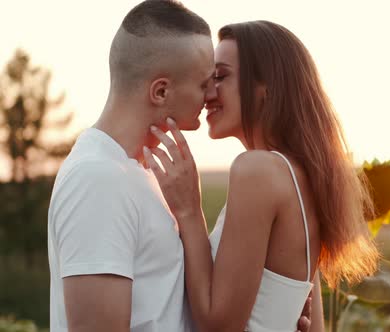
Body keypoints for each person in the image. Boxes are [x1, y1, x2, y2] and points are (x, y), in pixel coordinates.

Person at [48, 2, 312, 331]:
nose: (211, 95)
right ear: (161, 91)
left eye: (219, 79)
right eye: (205, 83)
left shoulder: (148, 177)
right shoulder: (98, 179)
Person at [145, 20, 380, 332]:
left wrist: (189, 211)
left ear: (266, 87)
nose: (208, 92)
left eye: (221, 76)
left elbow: (219, 327)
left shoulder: (257, 170)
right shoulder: (302, 177)